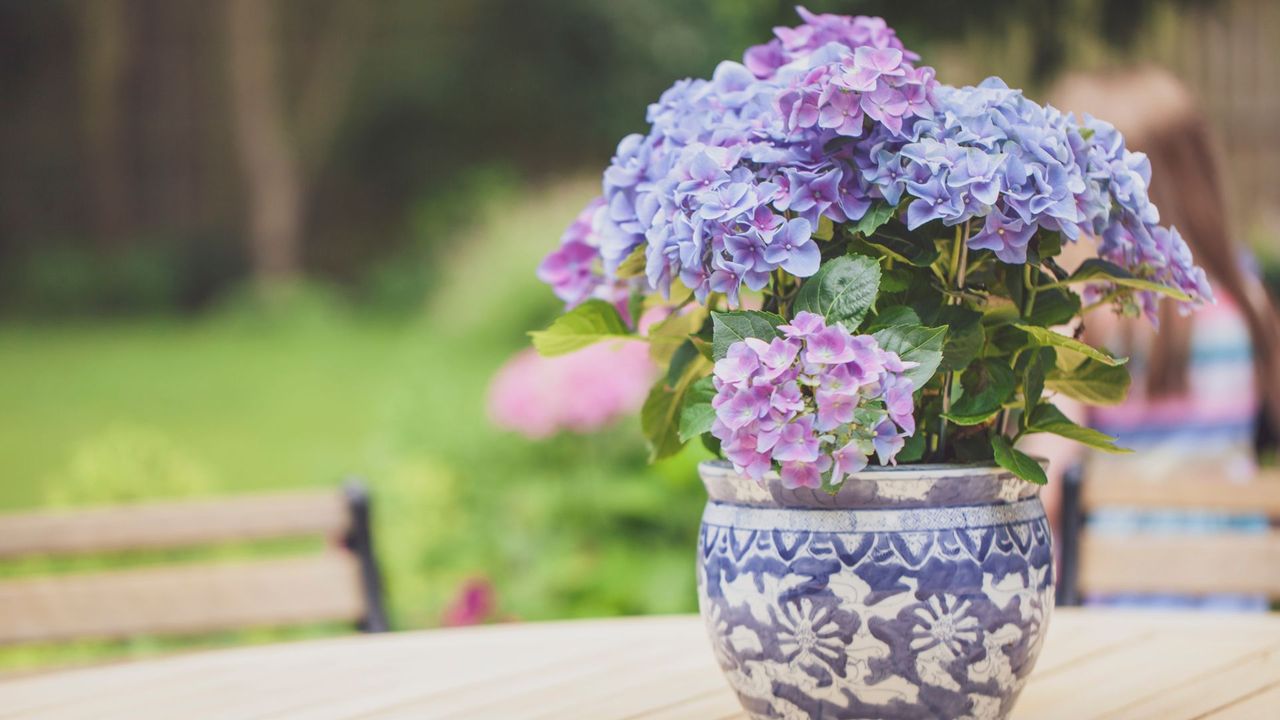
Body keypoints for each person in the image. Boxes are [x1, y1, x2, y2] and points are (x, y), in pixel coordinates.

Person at [1039, 66, 1280, 609]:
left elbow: (1048, 480)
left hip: (1119, 599)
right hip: (1233, 596)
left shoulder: (1090, 312)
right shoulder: (1247, 298)